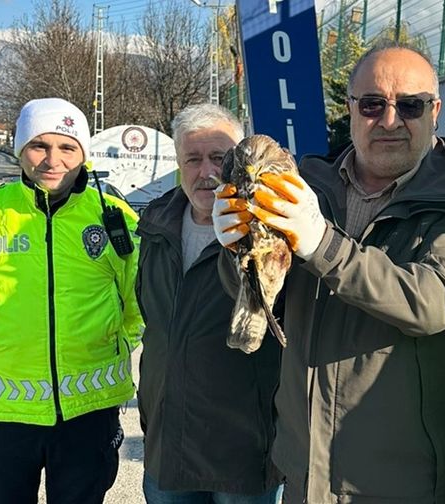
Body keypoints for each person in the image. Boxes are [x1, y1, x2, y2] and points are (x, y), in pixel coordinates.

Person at [213, 41, 445, 503]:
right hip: (305, 473)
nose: (390, 121)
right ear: (351, 109)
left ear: (435, 111)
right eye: (372, 104)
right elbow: (265, 302)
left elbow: (431, 303)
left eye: (410, 105)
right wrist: (240, 252)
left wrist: (322, 244)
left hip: (398, 486)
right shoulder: (305, 186)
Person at [0, 97, 143, 503]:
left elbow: (137, 301)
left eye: (67, 147)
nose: (53, 160)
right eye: (39, 146)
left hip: (90, 409)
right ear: (20, 149)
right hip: (3, 412)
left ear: (83, 153)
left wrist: (112, 342)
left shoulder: (116, 218)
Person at [135, 103, 284, 504]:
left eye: (219, 158)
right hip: (167, 447)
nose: (207, 172)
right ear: (178, 164)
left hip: (241, 454)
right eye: (193, 159)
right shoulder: (155, 225)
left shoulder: (270, 230)